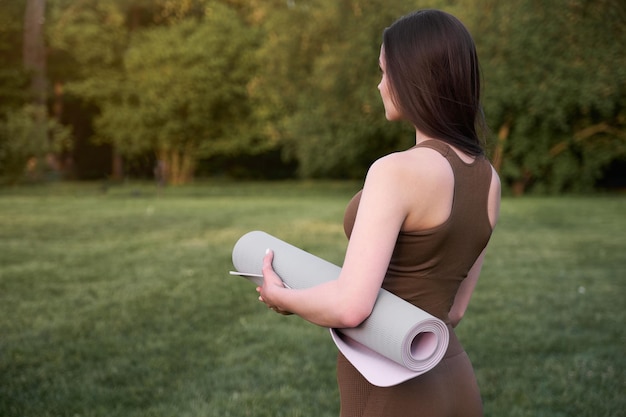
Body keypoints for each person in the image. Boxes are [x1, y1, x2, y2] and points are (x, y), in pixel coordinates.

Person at [257, 9, 501, 417]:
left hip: (392, 391)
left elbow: (351, 306)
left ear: (413, 78)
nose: (380, 84)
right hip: (455, 383)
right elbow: (453, 311)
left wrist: (284, 297)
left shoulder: (395, 171)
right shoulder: (489, 179)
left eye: (386, 72)